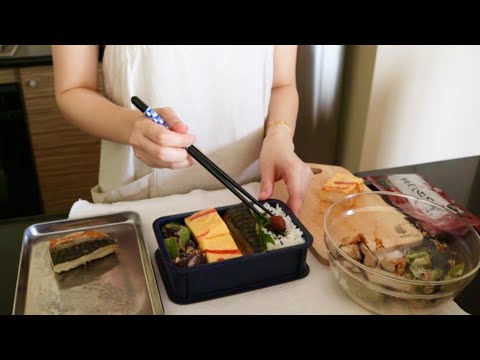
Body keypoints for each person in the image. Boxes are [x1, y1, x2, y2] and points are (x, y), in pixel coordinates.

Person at [51, 45, 312, 215]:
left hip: (250, 188)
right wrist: (133, 128)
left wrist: (279, 136)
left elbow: (282, 84)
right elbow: (72, 90)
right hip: (146, 196)